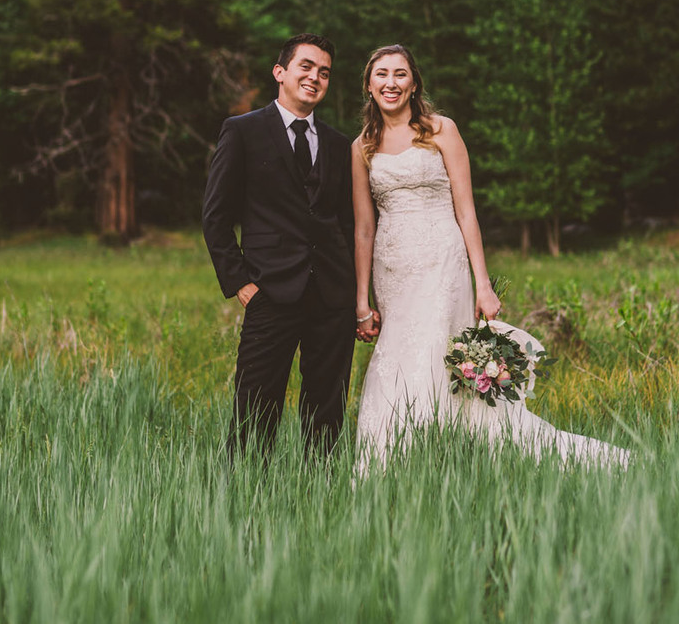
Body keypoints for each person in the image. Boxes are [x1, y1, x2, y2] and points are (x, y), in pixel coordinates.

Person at [352, 44, 629, 470]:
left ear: (413, 83)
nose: (391, 83)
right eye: (382, 74)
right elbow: (364, 228)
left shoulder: (441, 129)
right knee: (397, 359)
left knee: (435, 357)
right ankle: (389, 465)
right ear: (369, 84)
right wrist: (362, 301)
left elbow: (466, 210)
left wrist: (483, 285)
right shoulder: (362, 146)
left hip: (442, 261)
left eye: (401, 74)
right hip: (393, 272)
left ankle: (442, 456)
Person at [202, 34, 356, 461]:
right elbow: (215, 218)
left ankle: (318, 496)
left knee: (327, 409)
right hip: (269, 292)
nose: (315, 77)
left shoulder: (340, 145)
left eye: (324, 72)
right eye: (306, 66)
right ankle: (247, 498)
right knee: (255, 406)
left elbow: (347, 222)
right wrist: (240, 284)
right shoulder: (242, 132)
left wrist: (354, 292)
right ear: (280, 72)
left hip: (332, 295)